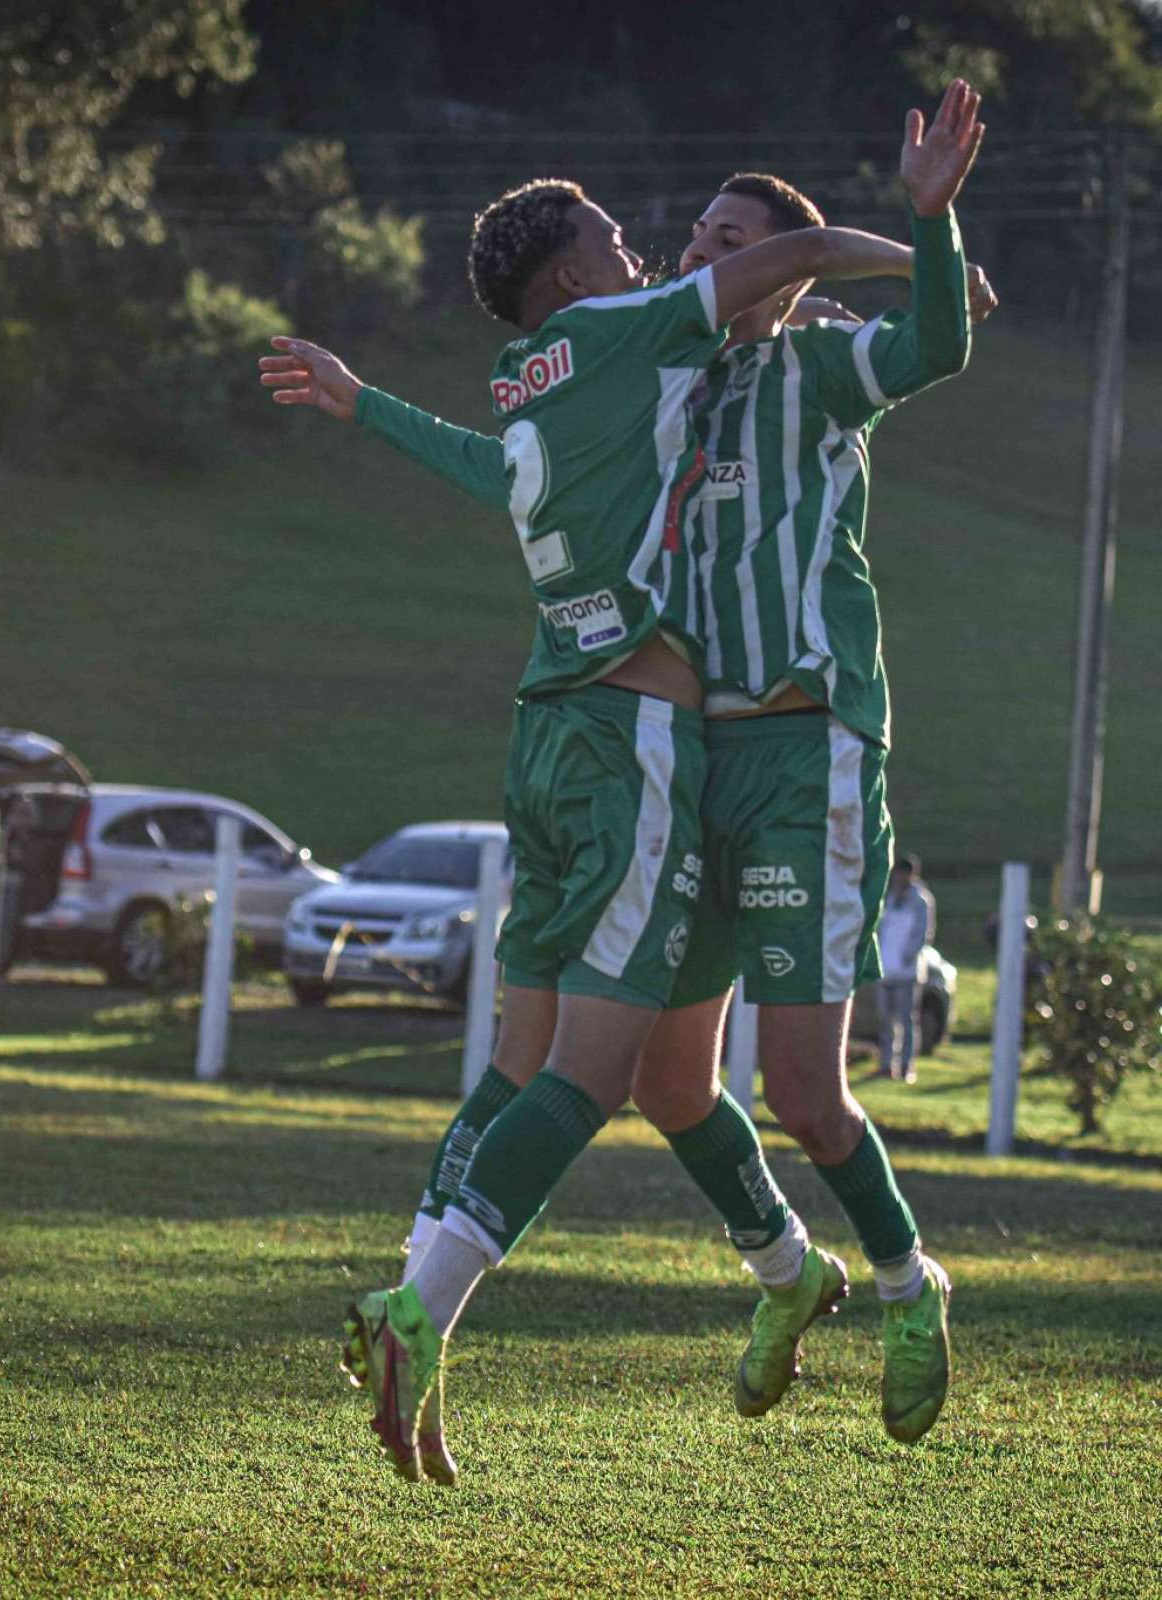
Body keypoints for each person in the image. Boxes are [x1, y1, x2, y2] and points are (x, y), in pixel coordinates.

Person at [261, 81, 986, 1482]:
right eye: (683, 231)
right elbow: (539, 454)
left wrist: (931, 229)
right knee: (654, 1077)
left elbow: (941, 340)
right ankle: (780, 1273)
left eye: (726, 235)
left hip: (792, 742)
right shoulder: (668, 365)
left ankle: (905, 1288)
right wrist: (370, 406)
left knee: (784, 1085)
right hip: (668, 749)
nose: (692, 249)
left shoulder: (804, 370)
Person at [876, 854, 937, 1081]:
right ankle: (886, 1064)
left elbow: (923, 934)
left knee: (907, 1020)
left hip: (907, 971)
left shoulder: (921, 900)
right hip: (886, 970)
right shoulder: (889, 898)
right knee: (885, 1020)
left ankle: (906, 1066)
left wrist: (907, 956)